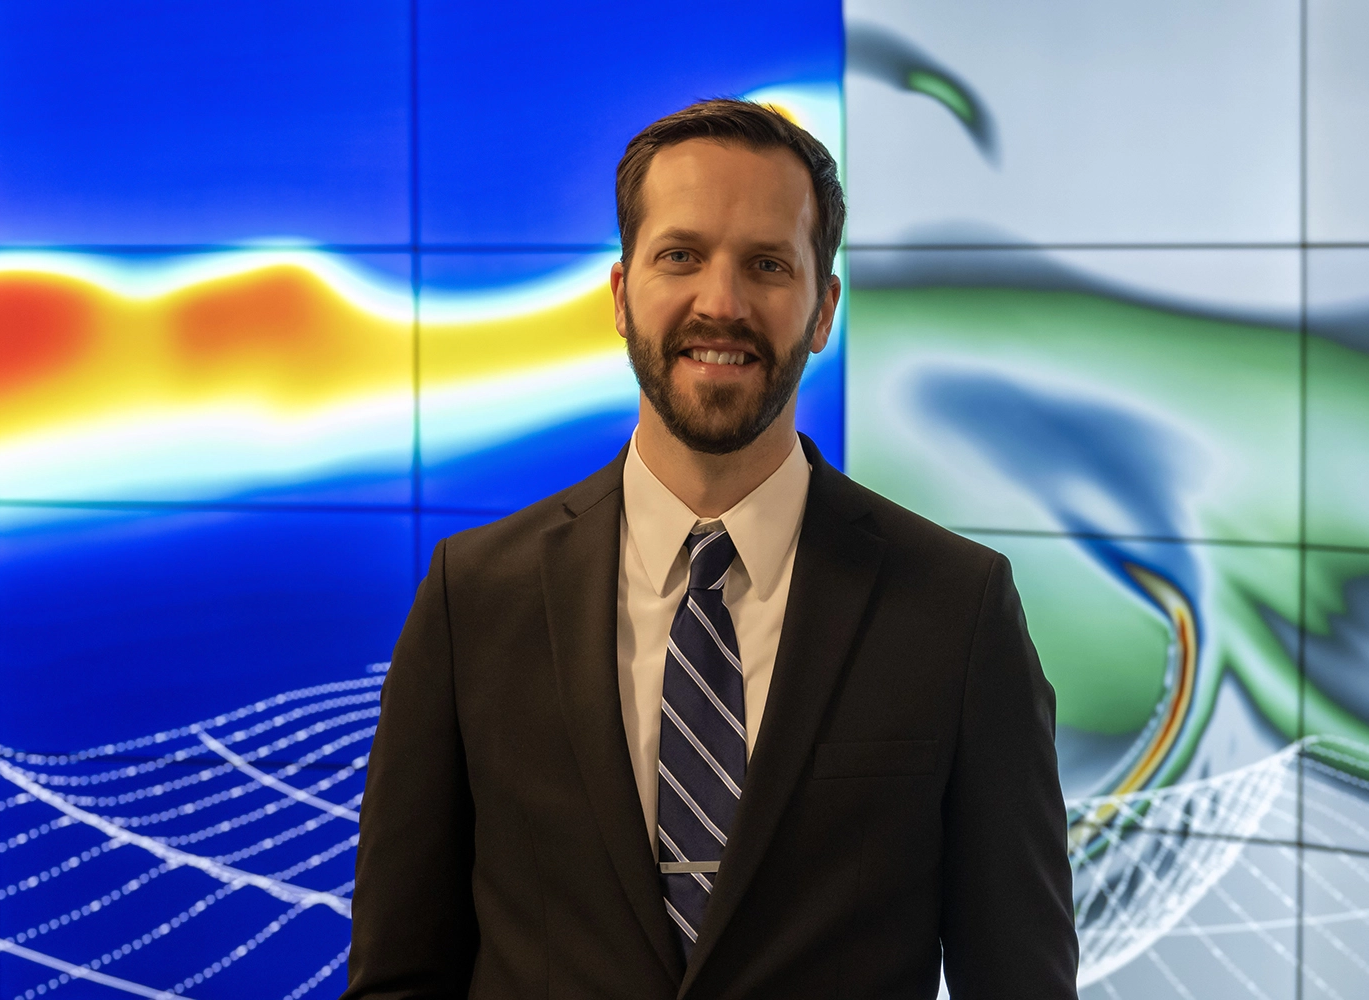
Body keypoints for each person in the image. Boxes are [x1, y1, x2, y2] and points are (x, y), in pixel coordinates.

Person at [343, 99, 1078, 1000]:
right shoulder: (474, 598)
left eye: (768, 264)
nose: (720, 304)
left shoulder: (957, 610)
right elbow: (400, 978)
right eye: (680, 256)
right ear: (622, 295)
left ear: (823, 308)